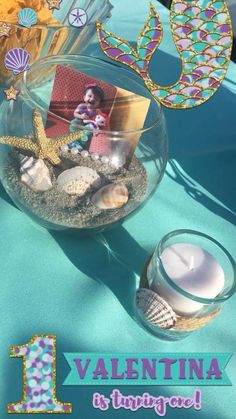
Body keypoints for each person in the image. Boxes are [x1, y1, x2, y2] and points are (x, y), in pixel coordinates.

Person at [68, 84, 105, 151]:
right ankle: (73, 141)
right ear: (84, 97)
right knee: (74, 123)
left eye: (96, 99)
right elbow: (75, 113)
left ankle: (81, 144)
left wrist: (96, 125)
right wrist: (81, 116)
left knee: (89, 131)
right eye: (89, 96)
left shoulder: (97, 111)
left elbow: (98, 120)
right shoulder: (81, 105)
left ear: (99, 103)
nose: (92, 99)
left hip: (87, 127)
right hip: (78, 124)